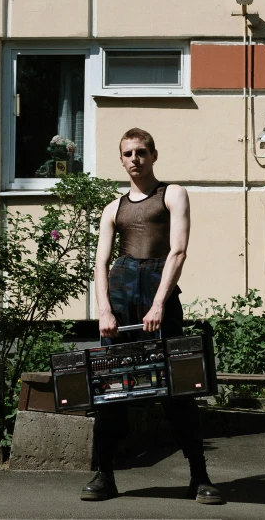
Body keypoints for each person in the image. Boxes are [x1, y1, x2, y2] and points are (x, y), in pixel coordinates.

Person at [80, 128, 223, 504]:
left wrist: (159, 304)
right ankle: (105, 475)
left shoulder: (172, 194)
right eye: (127, 153)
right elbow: (99, 262)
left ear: (154, 155)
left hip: (158, 298)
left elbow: (177, 251)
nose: (134, 159)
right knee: (110, 391)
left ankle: (200, 477)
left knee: (178, 390)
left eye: (141, 152)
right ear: (121, 158)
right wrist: (104, 311)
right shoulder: (113, 208)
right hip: (121, 297)